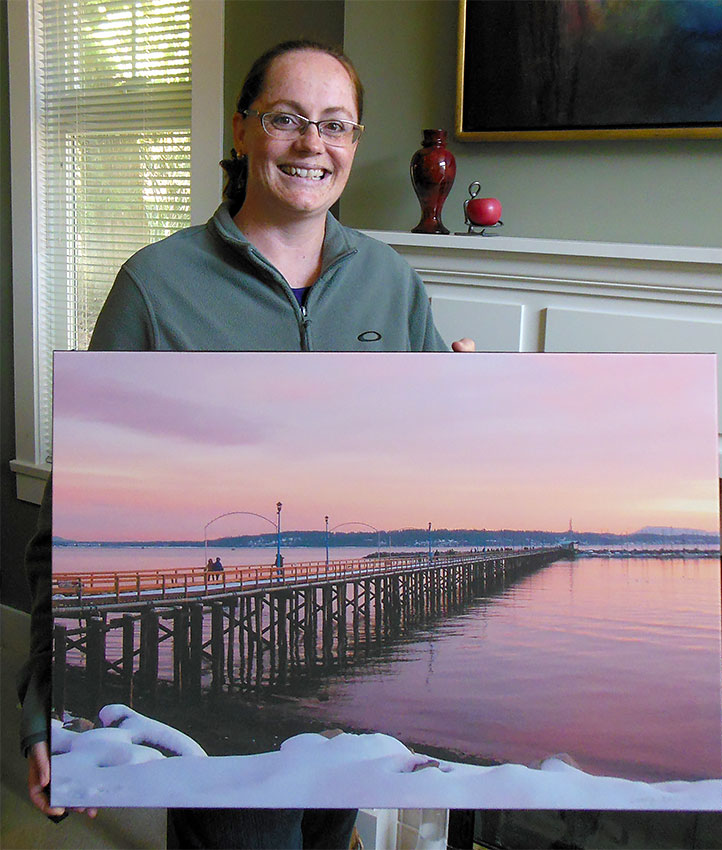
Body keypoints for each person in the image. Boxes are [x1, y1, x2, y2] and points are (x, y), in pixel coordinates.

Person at [19, 38, 473, 849]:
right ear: (241, 130)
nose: (312, 144)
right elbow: (73, 523)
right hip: (223, 716)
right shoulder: (155, 288)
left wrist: (478, 407)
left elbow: (420, 470)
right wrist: (50, 715)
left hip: (349, 685)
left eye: (336, 124)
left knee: (335, 838)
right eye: (287, 119)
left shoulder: (391, 281)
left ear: (356, 142)